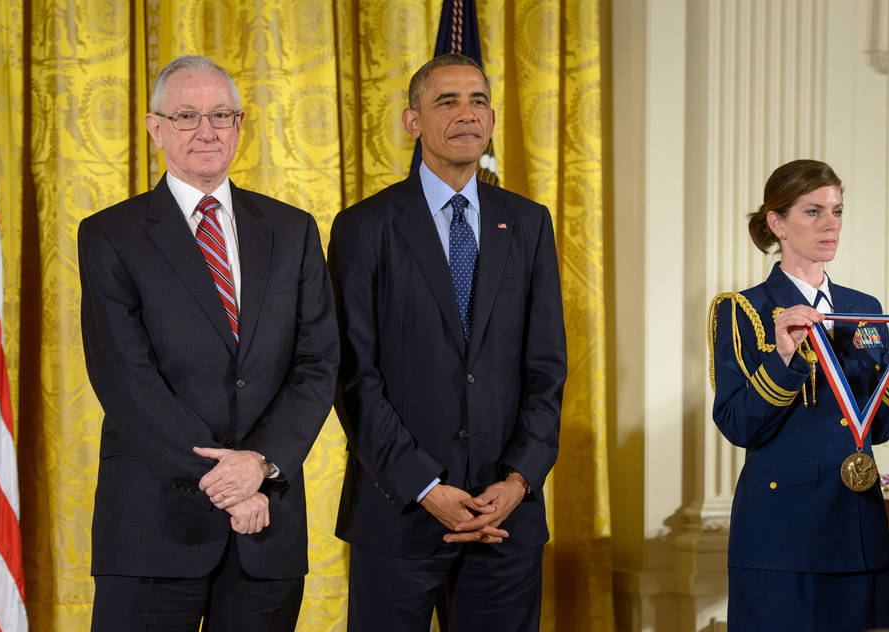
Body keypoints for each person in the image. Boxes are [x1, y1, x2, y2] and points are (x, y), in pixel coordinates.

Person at [78, 55, 338, 631]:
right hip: (154, 528)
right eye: (188, 115)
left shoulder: (292, 230)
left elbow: (318, 362)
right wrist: (226, 484)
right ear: (155, 127)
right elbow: (125, 377)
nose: (207, 131)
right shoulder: (110, 235)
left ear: (240, 124)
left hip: (266, 527)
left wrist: (259, 465)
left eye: (221, 115)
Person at [327, 53, 567, 631]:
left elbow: (546, 369)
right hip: (399, 515)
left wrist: (516, 481)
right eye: (447, 101)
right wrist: (427, 487)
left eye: (478, 100)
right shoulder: (363, 227)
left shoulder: (529, 223)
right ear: (413, 122)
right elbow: (353, 376)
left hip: (504, 518)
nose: (467, 114)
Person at [707, 159, 889, 630]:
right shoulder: (744, 310)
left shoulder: (864, 309)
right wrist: (785, 356)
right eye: (813, 212)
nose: (830, 224)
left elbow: (875, 426)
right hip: (781, 534)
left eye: (837, 211)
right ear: (777, 223)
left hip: (857, 526)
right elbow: (737, 424)